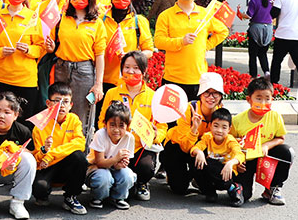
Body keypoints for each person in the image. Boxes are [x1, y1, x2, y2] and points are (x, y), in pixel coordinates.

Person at [44, 0, 106, 135]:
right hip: (61, 68)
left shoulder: (97, 23)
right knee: (57, 112)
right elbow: (54, 46)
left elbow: (100, 55)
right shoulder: (61, 18)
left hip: (84, 72)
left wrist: (98, 84)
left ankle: (80, 148)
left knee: (81, 115)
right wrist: (50, 48)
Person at [97, 51, 161, 200]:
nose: (131, 71)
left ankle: (141, 183)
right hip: (114, 146)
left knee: (146, 167)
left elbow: (162, 126)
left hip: (139, 147)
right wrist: (110, 135)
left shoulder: (153, 96)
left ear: (144, 71)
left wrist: (156, 135)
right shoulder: (112, 93)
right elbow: (101, 121)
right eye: (127, 67)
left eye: (136, 68)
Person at [154, 0, 228, 100]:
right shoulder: (165, 16)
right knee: (173, 113)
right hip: (173, 79)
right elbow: (159, 41)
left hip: (198, 79)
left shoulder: (205, 14)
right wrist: (181, 41)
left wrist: (206, 46)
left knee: (196, 112)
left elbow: (223, 31)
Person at [231, 76, 291, 204]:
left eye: (267, 99)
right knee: (244, 196)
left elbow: (280, 138)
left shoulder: (275, 116)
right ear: (249, 99)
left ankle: (272, 188)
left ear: (272, 99)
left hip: (265, 157)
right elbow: (229, 143)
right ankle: (243, 185)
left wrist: (266, 146)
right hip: (246, 161)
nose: (263, 103)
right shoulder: (237, 120)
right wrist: (236, 160)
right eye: (258, 98)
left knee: (287, 153)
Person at [162, 72, 225, 195]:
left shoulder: (221, 114)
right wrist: (194, 128)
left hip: (199, 149)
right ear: (200, 94)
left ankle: (197, 177)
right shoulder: (188, 109)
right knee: (179, 189)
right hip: (178, 147)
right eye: (207, 92)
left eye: (215, 93)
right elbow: (185, 147)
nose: (211, 97)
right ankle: (176, 174)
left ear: (221, 96)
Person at [31, 82, 89, 215]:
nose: (61, 105)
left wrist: (52, 154)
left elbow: (80, 143)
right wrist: (44, 150)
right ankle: (43, 194)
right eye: (57, 101)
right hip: (47, 166)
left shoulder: (74, 119)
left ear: (71, 105)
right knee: (39, 188)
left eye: (65, 102)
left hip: (65, 163)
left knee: (79, 158)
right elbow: (37, 159)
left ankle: (71, 196)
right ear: (48, 103)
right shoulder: (40, 124)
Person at [101, 0, 153, 95]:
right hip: (104, 79)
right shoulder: (101, 20)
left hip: (129, 81)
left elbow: (149, 51)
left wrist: (131, 57)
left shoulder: (139, 21)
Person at [87, 101, 136, 210]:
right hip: (96, 168)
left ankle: (118, 197)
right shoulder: (100, 135)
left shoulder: (129, 138)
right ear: (105, 124)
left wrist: (120, 164)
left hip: (113, 167)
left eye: (121, 126)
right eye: (112, 125)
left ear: (128, 126)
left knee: (127, 175)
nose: (116, 130)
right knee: (103, 177)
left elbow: (121, 165)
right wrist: (116, 159)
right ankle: (98, 197)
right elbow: (99, 162)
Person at [191, 108, 244, 206]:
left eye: (224, 127)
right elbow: (195, 147)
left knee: (210, 164)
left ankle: (234, 187)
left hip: (227, 172)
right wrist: (199, 152)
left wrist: (231, 163)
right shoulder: (208, 137)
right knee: (197, 164)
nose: (219, 130)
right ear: (210, 125)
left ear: (229, 129)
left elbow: (240, 154)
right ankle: (210, 192)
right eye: (216, 126)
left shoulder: (230, 140)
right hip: (214, 169)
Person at [237, 0, 273, 78]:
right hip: (268, 29)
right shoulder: (270, 1)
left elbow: (249, 16)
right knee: (263, 53)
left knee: (253, 55)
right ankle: (267, 72)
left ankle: (253, 76)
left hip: (256, 28)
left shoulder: (254, 1)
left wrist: (240, 13)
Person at [270, 0, 298, 85]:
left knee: (276, 62)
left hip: (283, 34)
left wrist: (272, 6)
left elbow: (274, 13)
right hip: (296, 35)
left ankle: (274, 85)